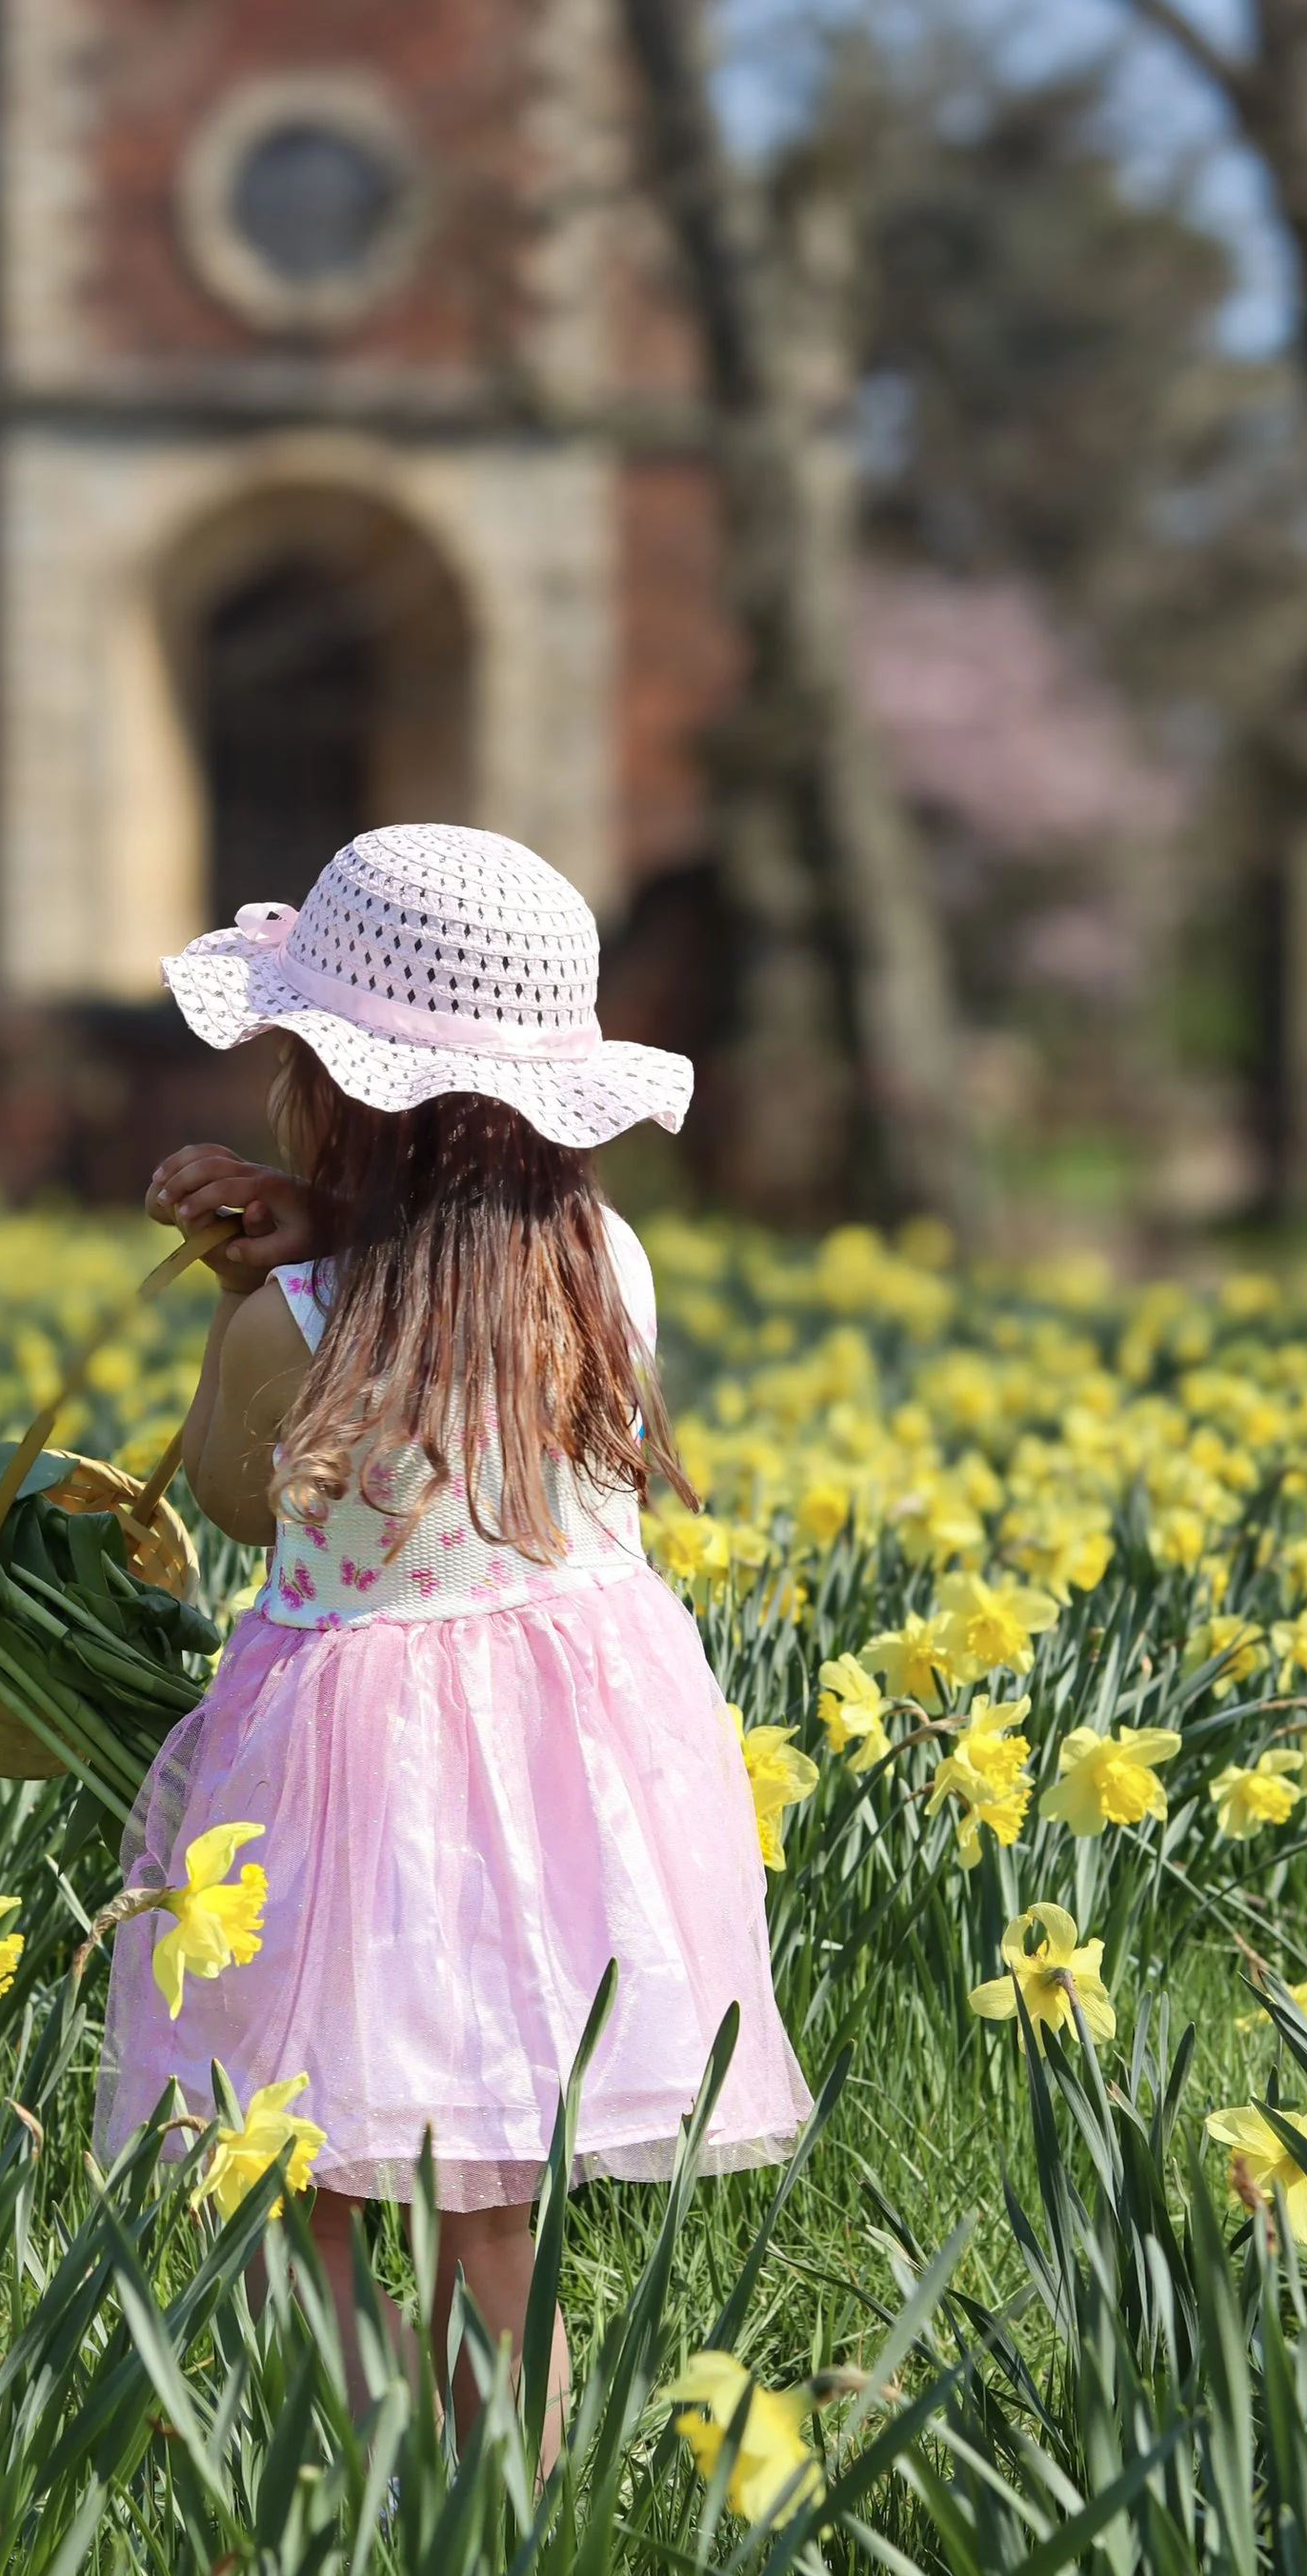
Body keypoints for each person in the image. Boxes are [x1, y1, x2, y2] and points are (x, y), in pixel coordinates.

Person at [94, 824, 813, 2462]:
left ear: (330, 1090)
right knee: (495, 2204)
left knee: (311, 2173)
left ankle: (355, 2507)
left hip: (345, 1782)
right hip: (573, 1779)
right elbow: (442, 1262)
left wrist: (250, 1293)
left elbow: (220, 1497)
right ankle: (512, 2519)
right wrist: (328, 1224)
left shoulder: (291, 1331)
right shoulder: (605, 1268)